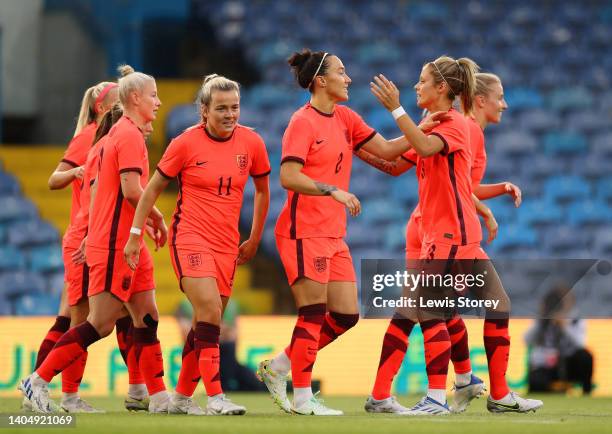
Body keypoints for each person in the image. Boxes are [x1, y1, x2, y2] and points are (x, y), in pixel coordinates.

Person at [257, 49, 434, 416]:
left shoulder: (345, 118)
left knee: (345, 316)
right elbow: (288, 176)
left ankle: (278, 368)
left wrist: (425, 127)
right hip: (302, 231)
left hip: (333, 234)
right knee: (313, 313)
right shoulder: (301, 122)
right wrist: (332, 190)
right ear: (321, 81)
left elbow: (386, 151)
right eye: (342, 71)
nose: (348, 78)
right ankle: (303, 398)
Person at [369, 56, 542, 414]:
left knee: (431, 311)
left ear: (442, 88)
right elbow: (396, 162)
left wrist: (395, 108)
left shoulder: (455, 125)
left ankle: (437, 396)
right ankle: (490, 391)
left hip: (449, 233)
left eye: (422, 80)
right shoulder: (438, 123)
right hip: (449, 231)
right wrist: (353, 141)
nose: (416, 86)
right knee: (489, 305)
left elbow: (433, 154)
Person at [19, 65, 170, 414]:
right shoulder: (123, 136)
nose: (159, 102)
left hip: (121, 239)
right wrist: (154, 218)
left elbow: (101, 193)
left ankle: (157, 396)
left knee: (146, 317)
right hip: (115, 243)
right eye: (153, 95)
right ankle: (39, 381)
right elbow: (130, 191)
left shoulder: (111, 137)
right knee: (96, 323)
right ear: (134, 99)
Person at [124, 74, 271, 416]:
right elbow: (151, 190)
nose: (230, 114)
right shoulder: (184, 143)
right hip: (189, 236)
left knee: (209, 322)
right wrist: (135, 235)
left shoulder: (252, 143)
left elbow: (263, 191)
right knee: (208, 311)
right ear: (204, 110)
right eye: (221, 108)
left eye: (234, 107)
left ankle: (181, 398)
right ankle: (216, 397)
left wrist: (254, 237)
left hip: (226, 244)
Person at [24, 81, 118, 413]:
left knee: (70, 319)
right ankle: (59, 392)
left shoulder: (114, 136)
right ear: (103, 108)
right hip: (85, 236)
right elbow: (53, 179)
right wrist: (79, 170)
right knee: (81, 321)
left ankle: (41, 389)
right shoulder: (88, 136)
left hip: (99, 233)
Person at [69, 104, 154, 412]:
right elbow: (96, 196)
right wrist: (91, 233)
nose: (154, 107)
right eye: (151, 99)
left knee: (130, 318)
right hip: (98, 239)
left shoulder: (113, 144)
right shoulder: (106, 145)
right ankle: (46, 387)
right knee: (83, 320)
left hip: (108, 237)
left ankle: (139, 390)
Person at [525, 285, 593, 395]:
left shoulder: (575, 319)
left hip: (570, 363)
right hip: (548, 366)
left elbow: (580, 344)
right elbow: (527, 340)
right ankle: (554, 393)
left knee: (585, 356)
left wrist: (564, 326)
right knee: (536, 380)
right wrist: (542, 319)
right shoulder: (542, 321)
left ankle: (586, 392)